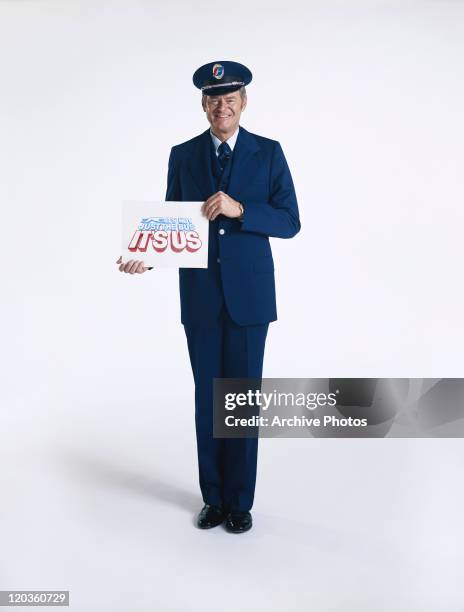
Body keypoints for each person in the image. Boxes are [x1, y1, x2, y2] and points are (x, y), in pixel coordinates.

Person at [117, 60, 300, 533]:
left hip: (249, 299)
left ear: (244, 102)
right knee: (207, 401)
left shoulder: (269, 153)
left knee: (238, 402)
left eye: (230, 97)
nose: (223, 105)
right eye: (213, 98)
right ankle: (213, 499)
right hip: (199, 298)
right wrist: (146, 254)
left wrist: (242, 210)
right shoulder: (183, 155)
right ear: (204, 104)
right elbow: (174, 221)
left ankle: (240, 503)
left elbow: (289, 221)